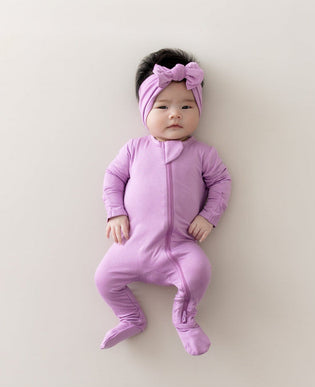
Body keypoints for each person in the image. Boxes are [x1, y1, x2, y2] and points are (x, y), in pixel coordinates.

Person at [94, 48, 231, 356]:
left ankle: (184, 320)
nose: (175, 114)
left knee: (200, 271)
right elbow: (113, 178)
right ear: (145, 110)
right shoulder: (134, 149)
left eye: (186, 105)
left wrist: (208, 216)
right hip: (132, 245)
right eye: (163, 106)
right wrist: (115, 213)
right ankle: (130, 318)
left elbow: (221, 182)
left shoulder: (202, 153)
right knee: (103, 279)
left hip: (180, 248)